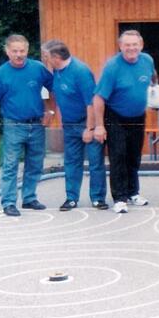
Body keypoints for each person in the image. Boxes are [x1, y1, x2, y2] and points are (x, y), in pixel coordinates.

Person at [0, 34, 55, 217]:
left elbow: (52, 88)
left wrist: (51, 112)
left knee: (35, 164)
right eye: (15, 51)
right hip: (13, 125)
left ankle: (29, 198)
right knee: (10, 165)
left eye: (22, 50)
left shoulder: (38, 69)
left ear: (27, 50)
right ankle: (9, 202)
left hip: (37, 124)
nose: (19, 54)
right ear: (7, 51)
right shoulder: (0, 74)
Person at [93, 29, 156, 214]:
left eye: (134, 45)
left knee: (134, 156)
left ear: (141, 45)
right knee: (118, 156)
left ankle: (133, 192)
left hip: (138, 116)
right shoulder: (112, 67)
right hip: (115, 116)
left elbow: (152, 77)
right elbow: (98, 98)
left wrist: (154, 89)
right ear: (120, 46)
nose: (131, 48)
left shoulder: (147, 61)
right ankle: (120, 198)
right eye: (127, 45)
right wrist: (99, 125)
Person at [42, 39, 107, 211]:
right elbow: (54, 94)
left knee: (95, 162)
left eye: (47, 56)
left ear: (56, 57)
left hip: (85, 122)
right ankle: (71, 198)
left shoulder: (80, 71)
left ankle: (98, 198)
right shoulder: (55, 72)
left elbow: (91, 102)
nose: (45, 59)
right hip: (69, 125)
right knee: (71, 162)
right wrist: (51, 112)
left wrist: (90, 128)